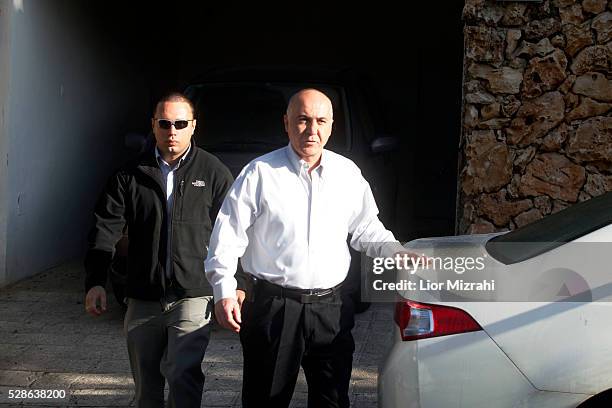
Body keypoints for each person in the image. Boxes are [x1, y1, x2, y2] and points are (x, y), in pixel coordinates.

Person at [205, 88, 410, 407]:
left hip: (332, 309)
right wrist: (224, 290)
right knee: (265, 400)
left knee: (332, 399)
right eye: (302, 120)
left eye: (320, 121)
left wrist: (397, 252)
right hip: (275, 309)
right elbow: (227, 234)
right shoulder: (260, 173)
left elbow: (366, 228)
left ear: (331, 125)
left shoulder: (347, 174)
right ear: (286, 123)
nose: (311, 130)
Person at [84, 92, 245, 408]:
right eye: (165, 123)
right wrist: (95, 281)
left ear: (193, 126)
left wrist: (240, 285)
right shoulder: (129, 174)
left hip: (193, 294)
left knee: (183, 376)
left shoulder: (213, 172)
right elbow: (105, 228)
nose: (172, 131)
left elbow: (237, 231)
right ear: (153, 126)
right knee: (146, 385)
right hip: (143, 296)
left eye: (180, 123)